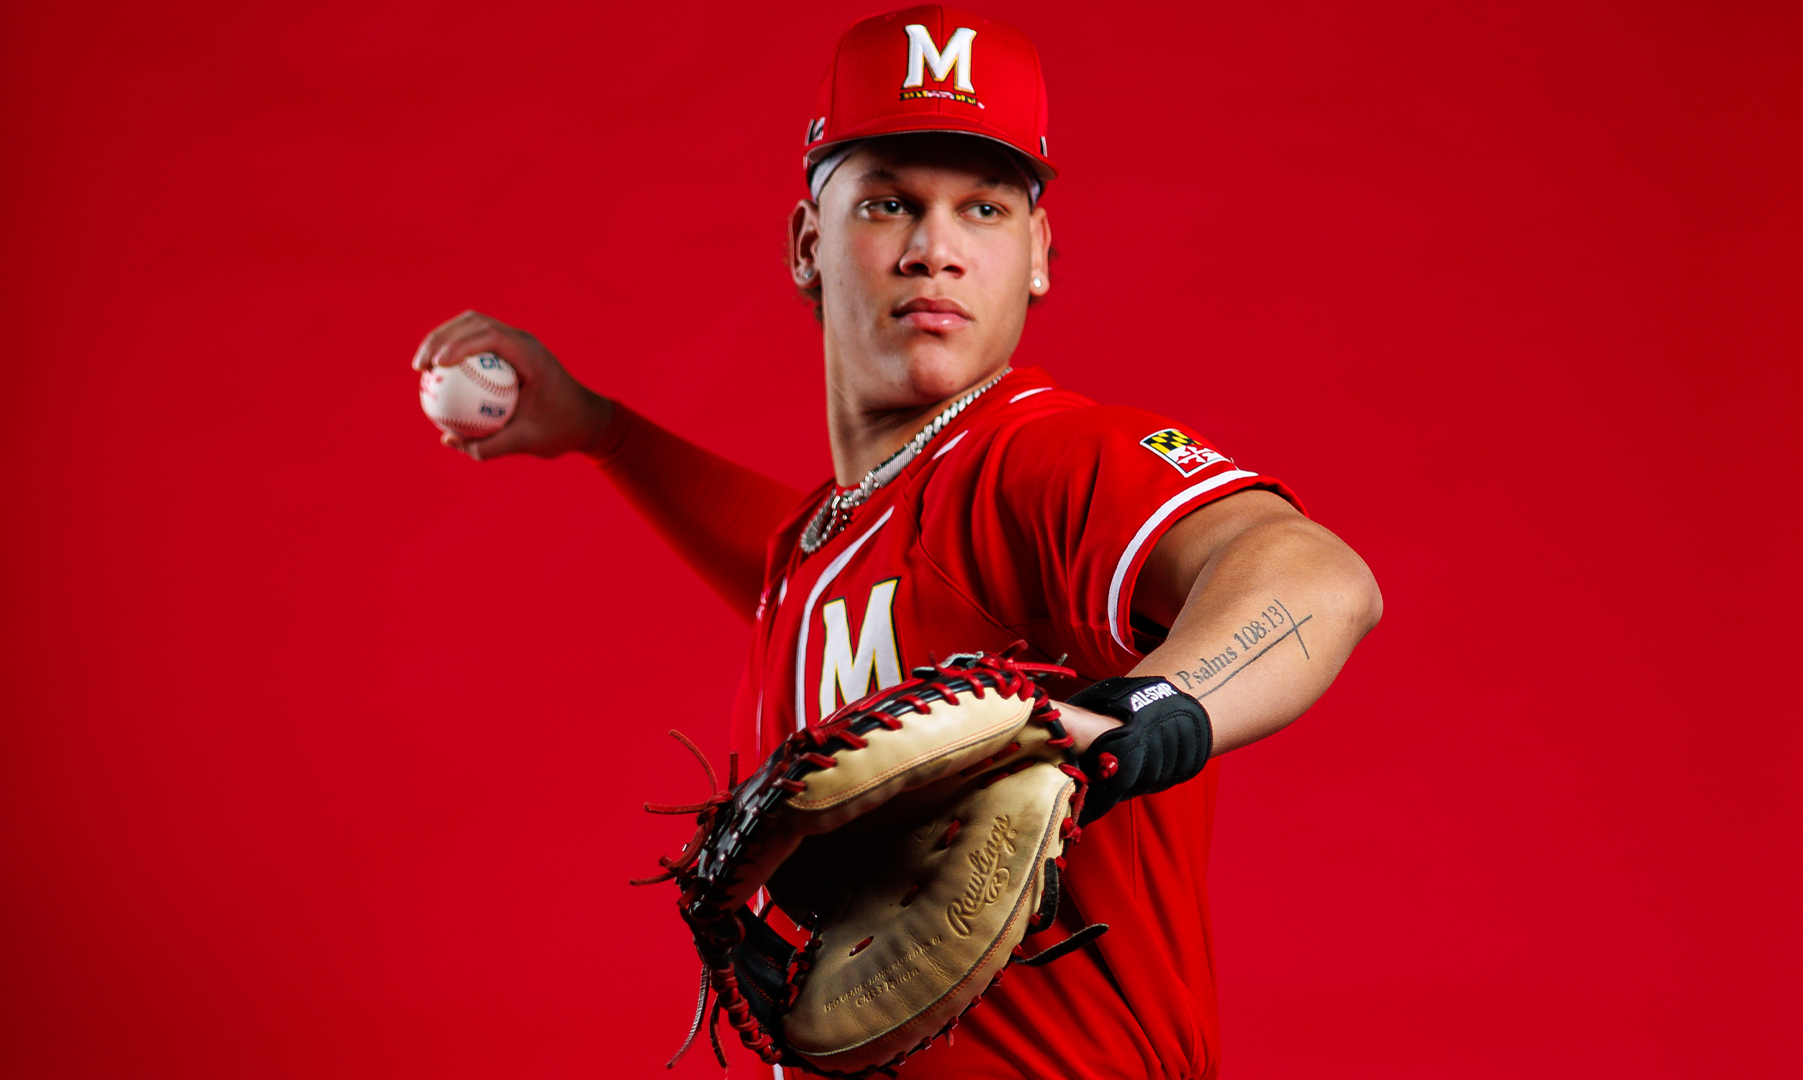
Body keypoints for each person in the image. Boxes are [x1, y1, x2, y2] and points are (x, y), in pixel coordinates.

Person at [410, 6, 1381, 1077]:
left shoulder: (1047, 461)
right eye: (887, 203)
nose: (936, 250)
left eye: (984, 207)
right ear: (805, 245)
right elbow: (803, 559)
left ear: (1041, 255)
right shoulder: (831, 541)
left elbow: (1316, 579)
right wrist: (603, 431)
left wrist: (1128, 716)